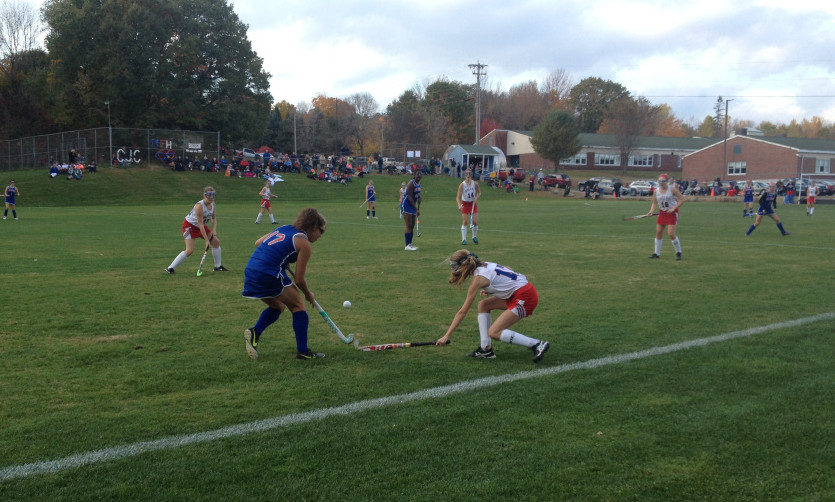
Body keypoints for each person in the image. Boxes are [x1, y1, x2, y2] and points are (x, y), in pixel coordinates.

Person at [241, 208, 327, 360]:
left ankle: (255, 333)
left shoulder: (284, 228)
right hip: (268, 272)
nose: (321, 236)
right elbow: (299, 280)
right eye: (321, 231)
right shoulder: (304, 244)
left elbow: (258, 243)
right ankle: (303, 352)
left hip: (251, 270)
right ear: (314, 227)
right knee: (298, 305)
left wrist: (282, 256)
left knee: (278, 306)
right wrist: (308, 294)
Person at [436, 250, 550, 363]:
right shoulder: (485, 264)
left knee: (494, 332)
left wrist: (446, 335)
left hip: (525, 297)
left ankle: (537, 344)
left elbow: (462, 312)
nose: (453, 270)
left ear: (463, 265)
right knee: (483, 305)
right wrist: (494, 288)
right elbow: (508, 269)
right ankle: (485, 349)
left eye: (454, 266)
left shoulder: (478, 279)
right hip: (521, 291)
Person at [165, 186, 228, 273]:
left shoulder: (213, 204)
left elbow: (214, 218)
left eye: (213, 195)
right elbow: (200, 224)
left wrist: (214, 230)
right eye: (209, 195)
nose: (211, 198)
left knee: (216, 242)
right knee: (190, 250)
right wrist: (207, 241)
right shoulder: (199, 206)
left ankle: (218, 266)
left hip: (201, 226)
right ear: (204, 195)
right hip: (190, 226)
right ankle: (170, 268)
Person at [647, 174, 685, 260]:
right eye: (659, 181)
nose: (661, 183)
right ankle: (656, 254)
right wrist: (651, 211)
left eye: (663, 181)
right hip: (662, 213)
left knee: (671, 234)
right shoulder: (656, 191)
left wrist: (673, 208)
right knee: (658, 232)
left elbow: (682, 199)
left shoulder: (672, 189)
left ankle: (678, 252)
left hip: (672, 213)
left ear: (666, 182)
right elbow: (654, 202)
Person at [456, 169, 481, 245]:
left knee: (475, 222)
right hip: (465, 204)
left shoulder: (475, 183)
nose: (467, 176)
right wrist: (459, 205)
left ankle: (474, 236)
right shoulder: (462, 185)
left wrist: (476, 198)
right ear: (464, 175)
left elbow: (479, 192)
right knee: (465, 221)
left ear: (471, 175)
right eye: (466, 174)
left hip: (473, 204)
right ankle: (464, 239)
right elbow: (458, 197)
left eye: (469, 174)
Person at [401, 170, 422, 251]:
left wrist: (419, 197)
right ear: (414, 175)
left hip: (412, 205)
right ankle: (407, 245)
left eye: (420, 175)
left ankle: (410, 243)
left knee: (412, 225)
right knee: (408, 225)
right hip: (406, 205)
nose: (419, 176)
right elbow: (409, 196)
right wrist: (416, 208)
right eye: (417, 174)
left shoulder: (419, 183)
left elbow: (416, 193)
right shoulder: (411, 183)